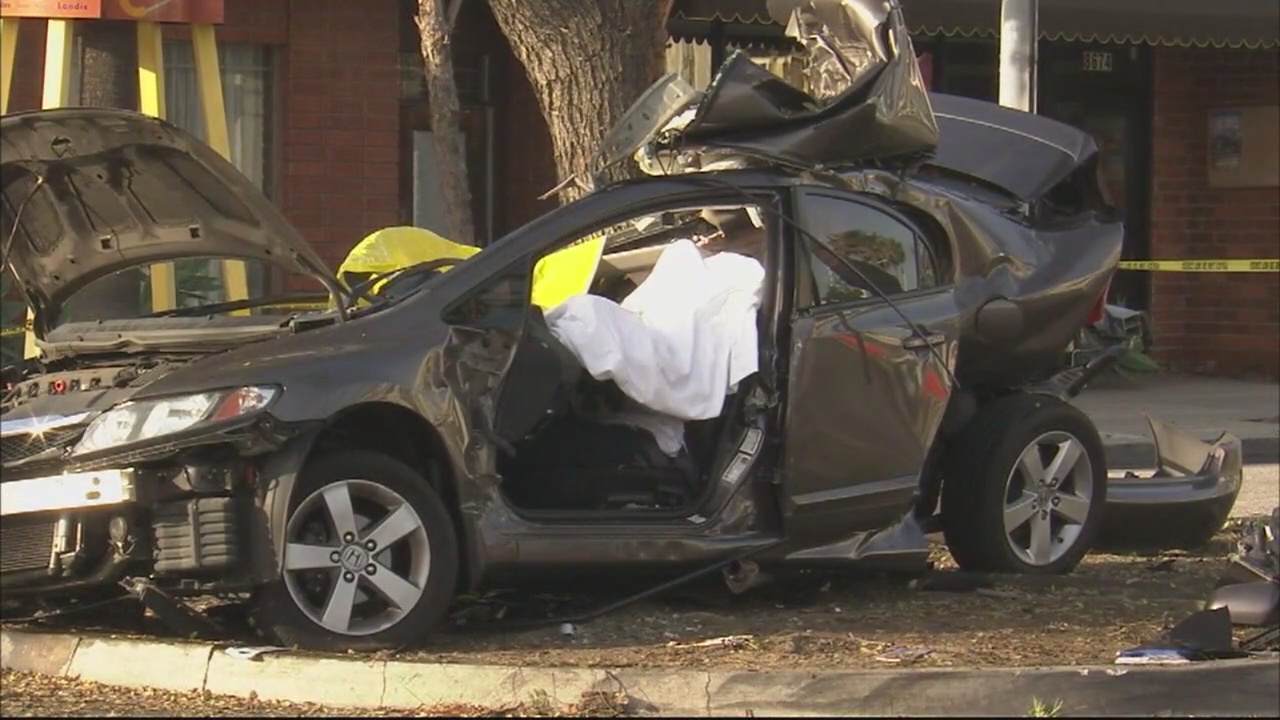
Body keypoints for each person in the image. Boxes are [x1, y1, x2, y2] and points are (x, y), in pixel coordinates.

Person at [695, 208, 767, 263]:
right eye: (707, 248)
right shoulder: (747, 252)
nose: (707, 241)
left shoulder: (711, 213)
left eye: (702, 240)